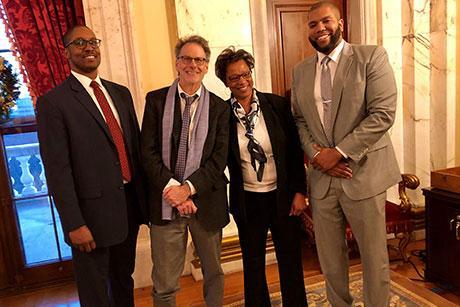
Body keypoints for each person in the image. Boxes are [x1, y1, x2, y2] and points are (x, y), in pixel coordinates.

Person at [291, 1, 401, 306]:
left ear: (340, 23)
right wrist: (317, 156)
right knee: (330, 259)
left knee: (373, 257)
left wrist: (338, 153)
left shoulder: (370, 57)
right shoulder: (300, 71)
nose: (320, 28)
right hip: (322, 180)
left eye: (326, 21)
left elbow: (383, 113)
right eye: (313, 24)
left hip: (362, 175)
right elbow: (299, 120)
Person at [36, 25, 147, 306]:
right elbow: (57, 169)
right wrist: (74, 223)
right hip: (90, 218)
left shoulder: (120, 94)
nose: (88, 47)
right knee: (95, 292)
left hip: (128, 209)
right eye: (79, 43)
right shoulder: (54, 103)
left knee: (124, 280)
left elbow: (133, 149)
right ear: (66, 53)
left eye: (93, 41)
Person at [141, 35, 230, 307]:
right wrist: (174, 191)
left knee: (213, 273)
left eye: (199, 60)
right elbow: (148, 152)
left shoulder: (219, 107)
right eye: (187, 58)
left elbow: (218, 159)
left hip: (207, 202)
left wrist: (188, 190)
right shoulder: (155, 100)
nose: (193, 64)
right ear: (177, 63)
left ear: (206, 66)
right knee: (165, 282)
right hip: (165, 202)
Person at [215, 47, 308, 307]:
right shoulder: (221, 115)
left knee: (290, 259)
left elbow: (294, 151)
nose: (242, 81)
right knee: (253, 263)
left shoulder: (277, 105)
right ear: (225, 81)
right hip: (248, 200)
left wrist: (300, 191)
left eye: (245, 74)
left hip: (282, 196)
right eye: (234, 77)